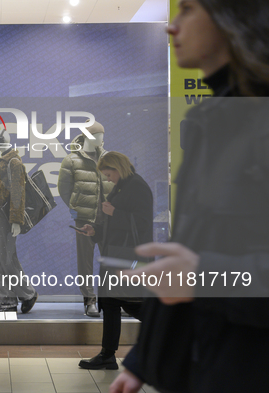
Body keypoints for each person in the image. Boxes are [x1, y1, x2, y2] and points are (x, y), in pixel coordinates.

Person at [110, 1, 269, 392]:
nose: (171, 27)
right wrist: (142, 363)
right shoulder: (210, 122)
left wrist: (203, 275)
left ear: (233, 18)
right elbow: (189, 254)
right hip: (211, 366)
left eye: (188, 10)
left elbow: (197, 272)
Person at [76, 152, 153, 370]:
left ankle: (171, 338)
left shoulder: (137, 186)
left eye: (109, 175)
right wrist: (95, 230)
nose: (108, 179)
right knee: (110, 303)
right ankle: (107, 355)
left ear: (118, 168)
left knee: (134, 303)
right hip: (116, 254)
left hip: (130, 257)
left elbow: (143, 224)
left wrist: (114, 212)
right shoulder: (122, 187)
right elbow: (114, 224)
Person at [0, 130, 38, 313]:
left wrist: (16, 220)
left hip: (4, 217)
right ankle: (6, 301)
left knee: (6, 258)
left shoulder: (14, 163)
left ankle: (28, 294)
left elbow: (18, 194)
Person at [58, 121, 114, 317]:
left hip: (108, 219)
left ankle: (112, 301)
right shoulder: (72, 160)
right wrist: (76, 209)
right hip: (84, 219)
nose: (102, 138)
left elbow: (116, 185)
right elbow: (64, 190)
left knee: (110, 261)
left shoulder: (109, 159)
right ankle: (89, 300)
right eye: (98, 135)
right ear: (89, 136)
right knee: (85, 262)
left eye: (102, 134)